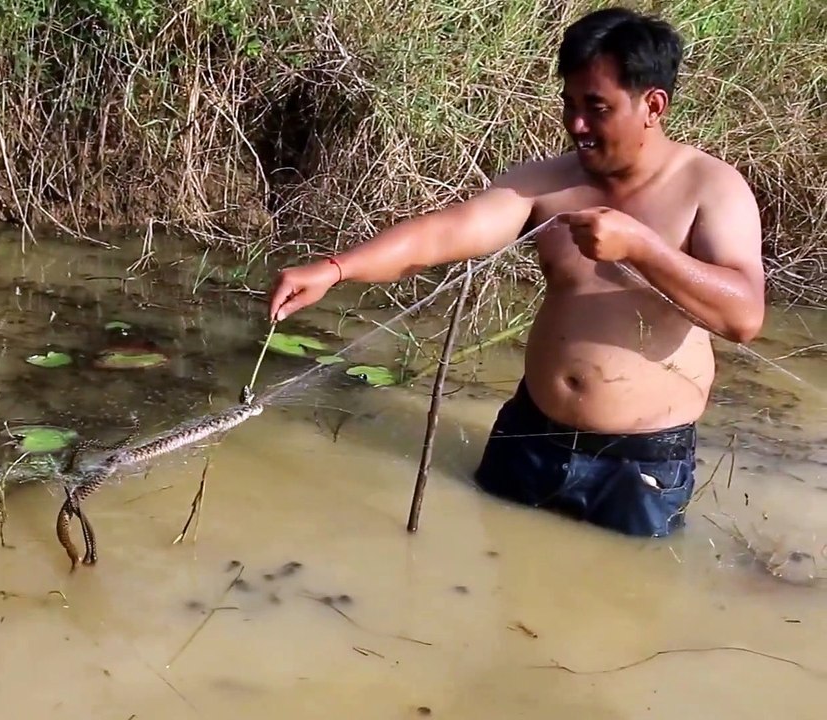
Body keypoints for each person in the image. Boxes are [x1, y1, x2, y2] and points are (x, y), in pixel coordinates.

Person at [268, 7, 765, 538]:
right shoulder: (546, 182)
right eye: (570, 104)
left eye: (596, 108)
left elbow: (743, 317)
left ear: (653, 105)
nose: (576, 125)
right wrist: (335, 269)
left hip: (639, 465)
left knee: (630, 589)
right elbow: (443, 234)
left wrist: (642, 247)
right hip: (528, 437)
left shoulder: (710, 188)